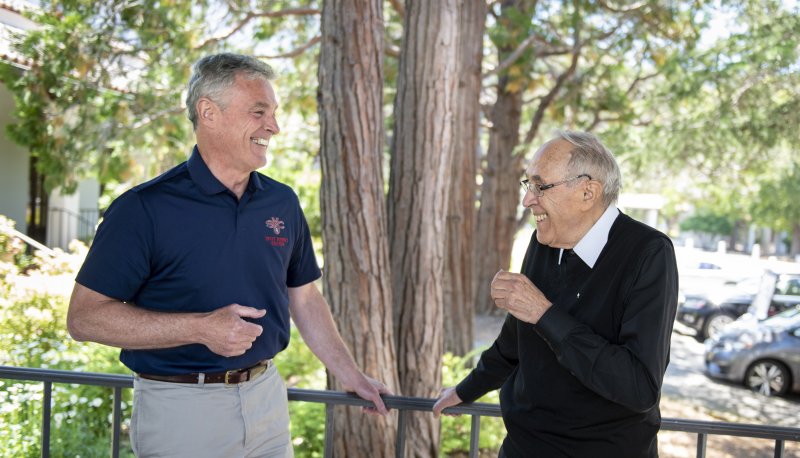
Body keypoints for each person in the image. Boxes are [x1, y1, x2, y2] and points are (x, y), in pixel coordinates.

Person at [66, 53, 389, 458]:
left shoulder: (281, 202)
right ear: (208, 113)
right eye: (258, 111)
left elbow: (303, 298)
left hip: (268, 399)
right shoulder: (143, 209)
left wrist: (349, 373)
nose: (273, 126)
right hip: (181, 412)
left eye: (272, 113)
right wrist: (200, 328)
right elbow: (84, 318)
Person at [433, 131, 678, 457]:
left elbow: (638, 387)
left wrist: (544, 314)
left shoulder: (648, 252)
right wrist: (466, 390)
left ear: (588, 192)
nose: (527, 199)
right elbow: (513, 343)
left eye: (540, 186)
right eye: (528, 185)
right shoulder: (543, 241)